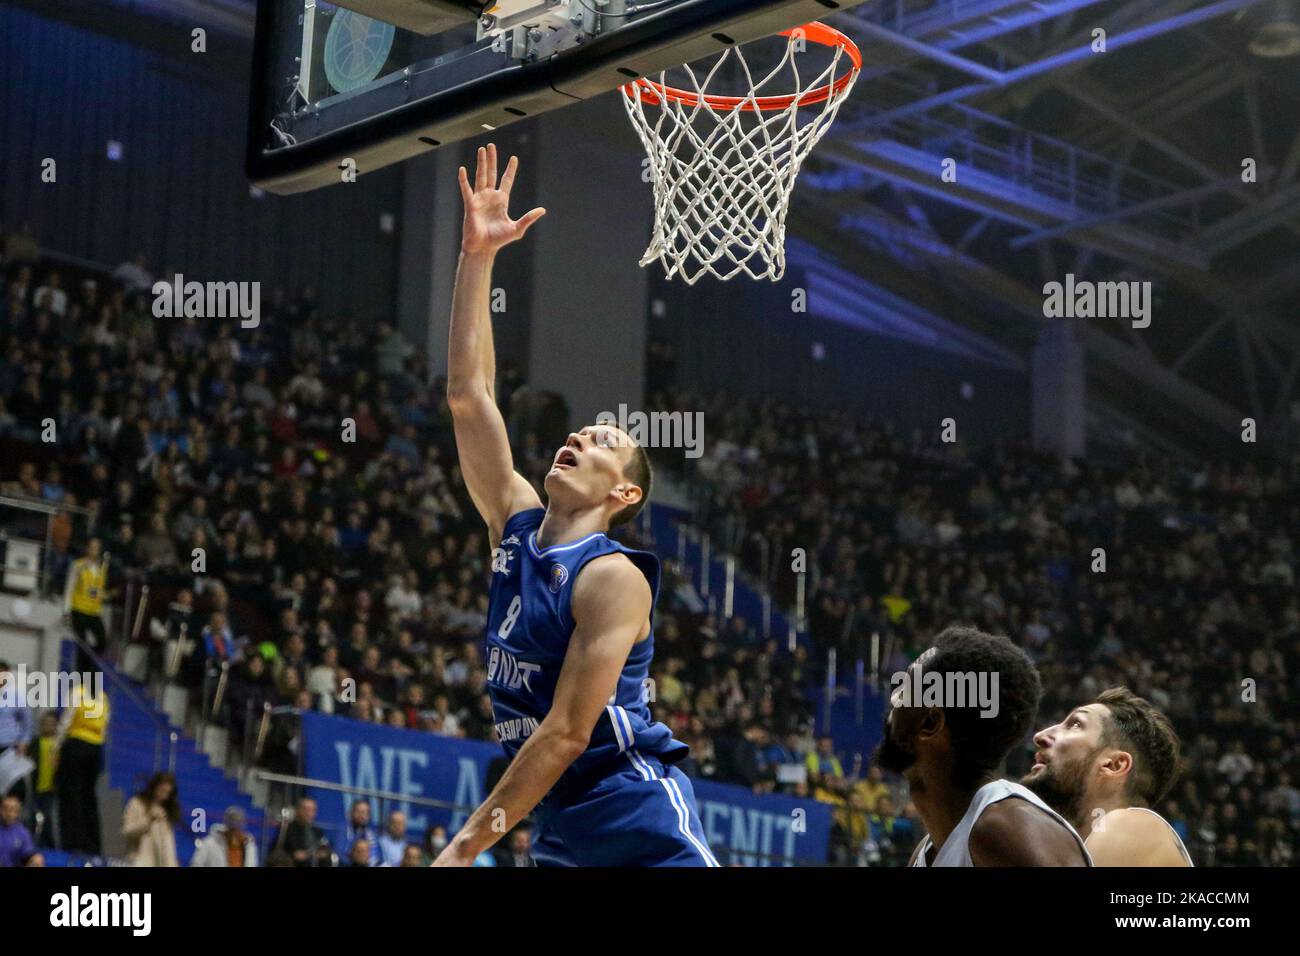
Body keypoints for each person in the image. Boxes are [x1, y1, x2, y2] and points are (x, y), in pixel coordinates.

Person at [432, 146, 715, 868]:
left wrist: (465, 847)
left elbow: (563, 733)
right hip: (557, 823)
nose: (579, 437)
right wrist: (477, 257)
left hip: (631, 809)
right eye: (579, 432)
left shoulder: (613, 576)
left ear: (625, 495)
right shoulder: (514, 525)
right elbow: (469, 396)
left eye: (604, 441)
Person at [875, 625, 1090, 866]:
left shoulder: (1005, 829)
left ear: (930, 722)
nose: (892, 702)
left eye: (905, 692)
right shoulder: (925, 854)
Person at [1021, 686, 1191, 866]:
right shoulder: (1076, 847)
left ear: (1113, 764)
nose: (1040, 736)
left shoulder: (1128, 824)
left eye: (1075, 724)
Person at [56, 678, 110, 855]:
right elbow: (104, 728)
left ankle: (73, 842)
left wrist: (56, 746)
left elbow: (66, 721)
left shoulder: (78, 692)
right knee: (89, 797)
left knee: (72, 795)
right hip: (95, 749)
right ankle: (93, 844)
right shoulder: (103, 697)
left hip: (76, 745)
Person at [64, 538, 110, 672]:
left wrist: (104, 595)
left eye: (97, 547)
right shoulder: (79, 565)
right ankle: (81, 672)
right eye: (92, 547)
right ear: (87, 548)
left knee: (102, 641)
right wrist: (66, 611)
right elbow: (70, 587)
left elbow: (97, 588)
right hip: (79, 608)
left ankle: (92, 668)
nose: (95, 550)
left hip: (94, 611)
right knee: (82, 643)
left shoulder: (101, 567)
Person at [122, 772, 180, 866]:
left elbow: (169, 846)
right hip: (138, 861)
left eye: (167, 793)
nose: (164, 796)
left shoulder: (165, 813)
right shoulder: (136, 803)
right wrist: (148, 821)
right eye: (162, 790)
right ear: (154, 787)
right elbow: (127, 831)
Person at [0, 660, 35, 798]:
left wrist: (24, 742)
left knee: (8, 789)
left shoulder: (16, 696)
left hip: (9, 748)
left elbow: (28, 724)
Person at [191, 806, 258, 867]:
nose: (235, 831)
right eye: (232, 827)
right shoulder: (209, 843)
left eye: (238, 825)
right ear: (226, 825)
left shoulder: (249, 846)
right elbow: (196, 864)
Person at [0, 794, 43, 867]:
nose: (9, 813)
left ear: (17, 812)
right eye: (5, 809)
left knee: (38, 860)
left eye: (12, 810)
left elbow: (28, 854)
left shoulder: (22, 833)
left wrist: (35, 859)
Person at [341, 797, 380, 866]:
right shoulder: (342, 830)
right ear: (351, 813)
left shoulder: (371, 835)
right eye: (359, 812)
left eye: (365, 813)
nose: (362, 815)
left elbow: (376, 858)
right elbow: (340, 854)